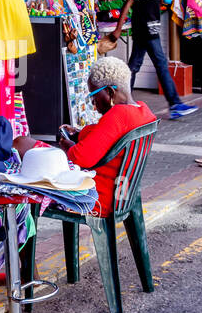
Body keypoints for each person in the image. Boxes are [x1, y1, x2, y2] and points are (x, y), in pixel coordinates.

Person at [100, 0, 197, 119]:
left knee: (133, 67)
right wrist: (117, 29)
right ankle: (174, 105)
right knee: (159, 66)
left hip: (149, 31)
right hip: (146, 32)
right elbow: (127, 5)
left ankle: (121, 102)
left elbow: (146, 6)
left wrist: (161, 2)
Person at [58, 57, 157, 216]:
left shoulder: (118, 114)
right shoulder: (144, 112)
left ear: (110, 92)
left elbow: (79, 157)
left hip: (98, 199)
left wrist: (67, 146)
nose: (94, 104)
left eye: (94, 96)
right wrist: (80, 134)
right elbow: (107, 135)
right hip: (123, 195)